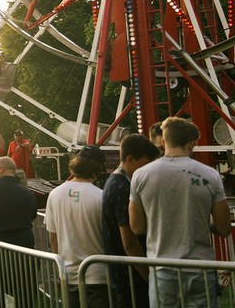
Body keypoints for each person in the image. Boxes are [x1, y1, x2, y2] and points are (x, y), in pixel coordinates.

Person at [130, 117, 231, 308]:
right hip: (200, 267)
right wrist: (199, 221)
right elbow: (223, 227)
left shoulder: (141, 175)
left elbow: (137, 227)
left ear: (163, 141)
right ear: (192, 143)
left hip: (162, 267)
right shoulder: (210, 175)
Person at [45, 145, 108, 308]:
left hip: (68, 272)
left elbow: (53, 237)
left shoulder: (55, 194)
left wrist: (59, 268)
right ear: (99, 168)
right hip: (98, 275)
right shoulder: (100, 196)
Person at [102, 134, 160, 308]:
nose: (149, 169)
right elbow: (130, 243)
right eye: (146, 162)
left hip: (124, 275)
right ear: (130, 159)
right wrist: (151, 278)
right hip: (130, 278)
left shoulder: (114, 182)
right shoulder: (122, 189)